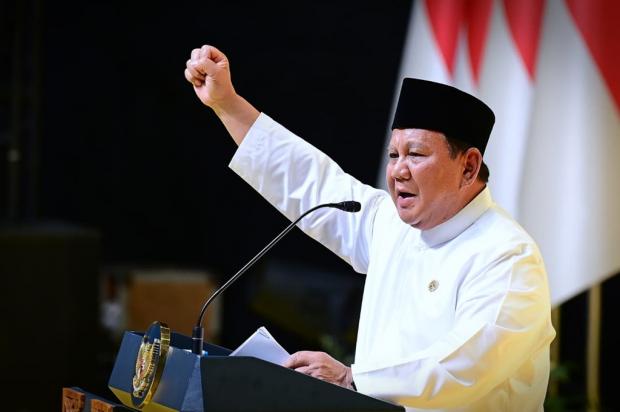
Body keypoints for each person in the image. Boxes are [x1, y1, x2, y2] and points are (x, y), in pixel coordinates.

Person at [184, 44, 555, 411]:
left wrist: (352, 378)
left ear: (469, 167)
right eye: (394, 155)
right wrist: (227, 103)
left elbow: (466, 366)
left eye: (416, 154)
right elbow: (308, 181)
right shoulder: (390, 223)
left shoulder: (507, 255)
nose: (398, 171)